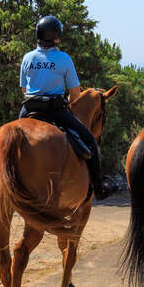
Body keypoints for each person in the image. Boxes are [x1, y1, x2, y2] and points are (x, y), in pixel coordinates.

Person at [19, 15, 119, 200]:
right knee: (89, 140)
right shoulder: (64, 58)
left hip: (28, 109)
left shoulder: (27, 57)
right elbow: (74, 96)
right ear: (57, 37)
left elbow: (24, 89)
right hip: (54, 110)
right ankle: (99, 187)